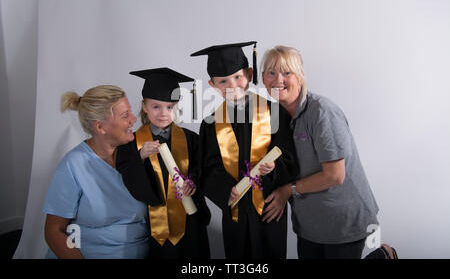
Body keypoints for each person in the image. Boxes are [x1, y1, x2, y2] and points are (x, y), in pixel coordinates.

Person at [261, 45, 379, 259]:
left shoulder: (321, 112)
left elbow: (335, 175)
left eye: (287, 72)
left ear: (301, 76)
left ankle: (383, 255)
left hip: (342, 221)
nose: (278, 80)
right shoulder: (273, 116)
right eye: (271, 72)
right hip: (309, 223)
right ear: (262, 78)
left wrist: (287, 190)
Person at [191, 41, 299, 258]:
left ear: (249, 74)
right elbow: (208, 168)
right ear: (213, 85)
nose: (232, 86)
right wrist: (225, 191)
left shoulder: (275, 112)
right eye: (223, 81)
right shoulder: (211, 123)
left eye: (238, 77)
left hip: (269, 207)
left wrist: (275, 171)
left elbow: (290, 157)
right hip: (235, 212)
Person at [43, 85, 152, 259]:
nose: (133, 119)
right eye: (125, 116)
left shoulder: (140, 156)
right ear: (100, 127)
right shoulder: (73, 165)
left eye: (130, 112)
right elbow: (54, 231)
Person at [116, 67, 211, 259]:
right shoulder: (132, 143)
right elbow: (126, 175)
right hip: (153, 224)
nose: (163, 113)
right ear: (144, 106)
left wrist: (192, 181)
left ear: (177, 107)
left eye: (169, 107)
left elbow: (202, 168)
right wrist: (141, 156)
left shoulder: (191, 139)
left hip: (189, 219)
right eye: (156, 106)